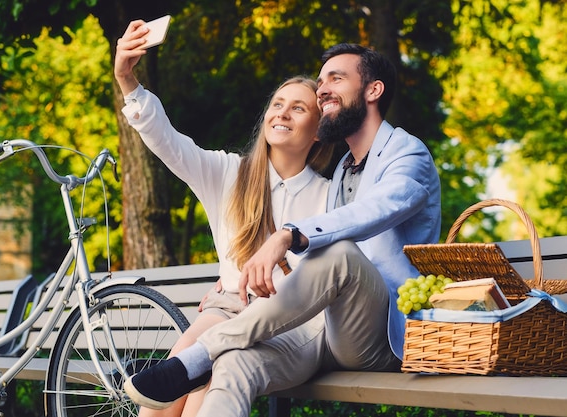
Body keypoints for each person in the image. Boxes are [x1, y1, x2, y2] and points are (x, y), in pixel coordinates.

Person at [123, 42, 442, 417]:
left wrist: (288, 234)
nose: (323, 89)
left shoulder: (407, 154)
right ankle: (202, 357)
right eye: (320, 83)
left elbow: (378, 209)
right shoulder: (340, 172)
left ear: (373, 90)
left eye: (334, 80)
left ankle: (200, 355)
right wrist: (128, 81)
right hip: (304, 326)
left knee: (337, 252)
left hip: (369, 331)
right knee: (232, 366)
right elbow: (170, 144)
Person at [114, 20, 335, 417]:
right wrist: (128, 80)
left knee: (206, 386)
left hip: (285, 322)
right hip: (225, 307)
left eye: (299, 108)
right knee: (172, 381)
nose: (282, 113)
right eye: (278, 104)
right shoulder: (227, 173)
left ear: (317, 131)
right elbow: (167, 142)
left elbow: (325, 278)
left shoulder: (329, 195)